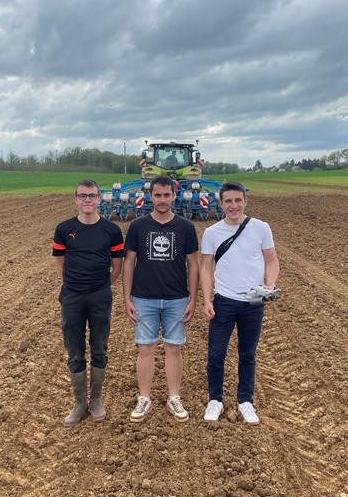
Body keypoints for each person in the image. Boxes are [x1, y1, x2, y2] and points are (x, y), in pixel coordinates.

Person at [199, 181, 279, 424]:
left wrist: (270, 284)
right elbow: (205, 267)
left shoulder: (260, 228)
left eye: (237, 200)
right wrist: (207, 299)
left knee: (247, 354)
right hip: (224, 301)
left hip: (252, 303)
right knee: (215, 355)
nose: (233, 205)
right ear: (221, 204)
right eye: (228, 201)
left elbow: (272, 260)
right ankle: (215, 400)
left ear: (245, 201)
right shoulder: (212, 233)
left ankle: (245, 401)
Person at [122, 176, 199, 422]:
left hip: (176, 298)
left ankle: (174, 397)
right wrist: (127, 298)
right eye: (158, 195)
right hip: (144, 298)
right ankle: (144, 398)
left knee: (173, 349)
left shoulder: (186, 227)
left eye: (167, 195)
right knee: (145, 349)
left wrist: (192, 299)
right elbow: (129, 264)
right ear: (150, 197)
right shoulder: (138, 226)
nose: (162, 200)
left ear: (174, 196)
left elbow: (194, 265)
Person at [52, 180, 124, 426]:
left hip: (99, 296)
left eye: (92, 196)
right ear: (75, 199)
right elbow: (60, 261)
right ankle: (79, 402)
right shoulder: (64, 229)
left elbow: (117, 266)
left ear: (99, 199)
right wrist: (71, 283)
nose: (87, 200)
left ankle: (96, 400)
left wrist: (103, 285)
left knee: (99, 346)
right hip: (72, 296)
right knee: (74, 349)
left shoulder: (111, 231)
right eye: (82, 196)